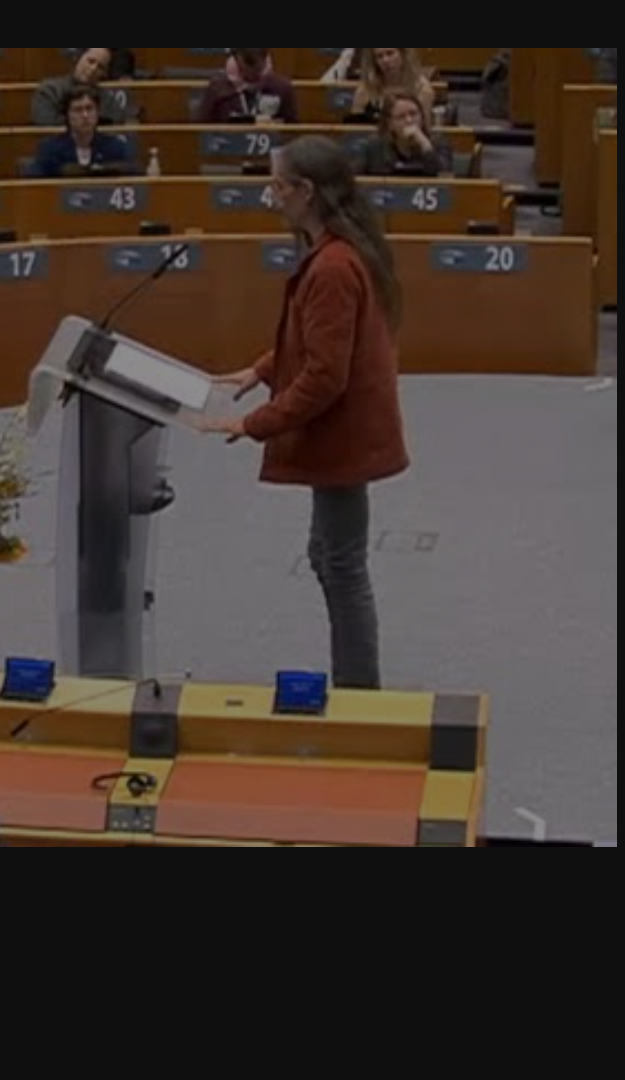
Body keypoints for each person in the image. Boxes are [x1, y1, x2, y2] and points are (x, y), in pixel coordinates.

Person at [197, 137, 409, 691]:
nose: (271, 196)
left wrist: (254, 423)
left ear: (306, 191)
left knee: (341, 564)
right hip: (347, 434)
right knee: (329, 556)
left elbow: (324, 375)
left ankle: (359, 696)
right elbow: (313, 343)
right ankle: (356, 688)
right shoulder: (339, 252)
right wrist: (261, 371)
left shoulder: (333, 266)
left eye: (278, 185)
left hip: (344, 437)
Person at [32, 86, 132, 177]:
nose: (85, 115)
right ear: (67, 115)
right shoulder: (50, 149)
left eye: (89, 108)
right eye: (77, 110)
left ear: (97, 112)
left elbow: (132, 177)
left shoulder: (115, 147)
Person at [31, 48, 130, 127]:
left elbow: (116, 123)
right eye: (90, 61)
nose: (93, 69)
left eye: (100, 67)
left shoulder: (106, 97)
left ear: (104, 74)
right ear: (78, 58)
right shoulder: (50, 90)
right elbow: (44, 122)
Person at [355, 92, 446, 176]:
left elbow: (444, 178)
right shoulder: (372, 148)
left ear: (422, 117)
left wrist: (426, 146)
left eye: (413, 114)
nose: (409, 120)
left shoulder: (438, 144)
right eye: (401, 117)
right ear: (389, 123)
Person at [197, 48, 299, 123]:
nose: (251, 77)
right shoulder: (218, 87)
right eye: (245, 71)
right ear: (235, 59)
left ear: (265, 60)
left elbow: (292, 131)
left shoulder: (282, 87)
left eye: (257, 71)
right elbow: (201, 129)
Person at [350, 48, 436, 118]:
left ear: (403, 54)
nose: (385, 60)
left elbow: (425, 129)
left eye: (390, 53)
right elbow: (355, 127)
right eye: (379, 56)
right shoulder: (366, 87)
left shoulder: (422, 88)